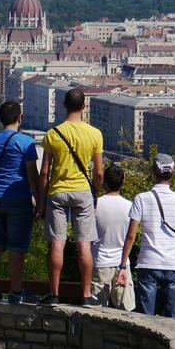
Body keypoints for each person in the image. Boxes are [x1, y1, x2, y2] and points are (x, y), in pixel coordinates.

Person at [37, 88, 104, 306]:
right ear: (84, 106)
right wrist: (95, 189)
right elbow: (100, 172)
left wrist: (41, 200)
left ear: (64, 106)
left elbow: (45, 171)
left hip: (57, 191)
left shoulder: (53, 134)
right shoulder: (94, 134)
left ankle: (54, 293)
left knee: (57, 243)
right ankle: (85, 294)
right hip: (83, 190)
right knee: (83, 244)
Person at [117, 154, 175, 320]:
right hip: (173, 264)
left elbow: (131, 235)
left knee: (146, 319)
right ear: (173, 173)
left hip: (148, 262)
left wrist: (123, 266)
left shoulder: (141, 199)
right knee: (173, 319)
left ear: (153, 172)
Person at [0, 101, 39, 303]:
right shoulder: (26, 142)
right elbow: (32, 175)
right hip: (18, 198)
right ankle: (15, 292)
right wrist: (39, 202)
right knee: (17, 248)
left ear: (0, 119)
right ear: (20, 118)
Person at [91, 164, 133, 308]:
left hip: (99, 261)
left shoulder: (95, 205)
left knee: (96, 311)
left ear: (104, 182)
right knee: (125, 311)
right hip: (122, 263)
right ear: (122, 181)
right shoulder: (130, 206)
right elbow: (131, 236)